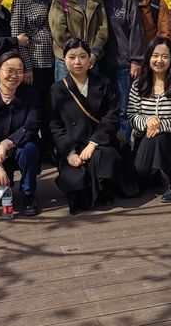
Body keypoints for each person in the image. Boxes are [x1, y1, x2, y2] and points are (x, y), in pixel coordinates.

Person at [49, 38, 131, 214]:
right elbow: (55, 126)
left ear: (90, 60)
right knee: (77, 190)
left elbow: (112, 116)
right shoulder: (57, 90)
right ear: (64, 59)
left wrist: (93, 143)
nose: (77, 62)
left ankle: (104, 189)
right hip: (73, 145)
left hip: (100, 143)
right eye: (72, 57)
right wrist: (70, 153)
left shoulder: (103, 83)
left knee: (106, 157)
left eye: (82, 56)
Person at [0, 51, 41, 216]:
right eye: (9, 71)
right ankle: (3, 184)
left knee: (29, 149)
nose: (14, 76)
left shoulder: (31, 95)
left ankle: (28, 194)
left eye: (19, 71)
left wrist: (7, 143)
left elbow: (32, 126)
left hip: (21, 146)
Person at [127, 37, 171, 203]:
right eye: (155, 55)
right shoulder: (138, 85)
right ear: (148, 57)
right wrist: (147, 122)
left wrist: (160, 125)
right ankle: (153, 173)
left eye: (165, 56)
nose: (159, 60)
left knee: (159, 138)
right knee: (140, 171)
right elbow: (132, 115)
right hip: (144, 135)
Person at [98, 0, 146, 141]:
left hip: (124, 65)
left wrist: (136, 60)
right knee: (104, 108)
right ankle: (106, 146)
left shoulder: (127, 0)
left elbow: (136, 30)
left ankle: (123, 147)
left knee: (124, 109)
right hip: (101, 63)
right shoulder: (96, 1)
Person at [10, 0, 54, 151]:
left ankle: (49, 148)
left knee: (49, 108)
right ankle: (32, 148)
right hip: (33, 65)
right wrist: (26, 67)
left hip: (52, 63)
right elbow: (17, 36)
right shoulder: (21, 1)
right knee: (33, 108)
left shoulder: (52, 1)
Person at [49, 0, 109, 81]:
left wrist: (94, 53)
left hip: (90, 59)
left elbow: (102, 29)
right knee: (66, 92)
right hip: (66, 59)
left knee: (89, 92)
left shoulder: (95, 0)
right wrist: (75, 53)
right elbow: (58, 29)